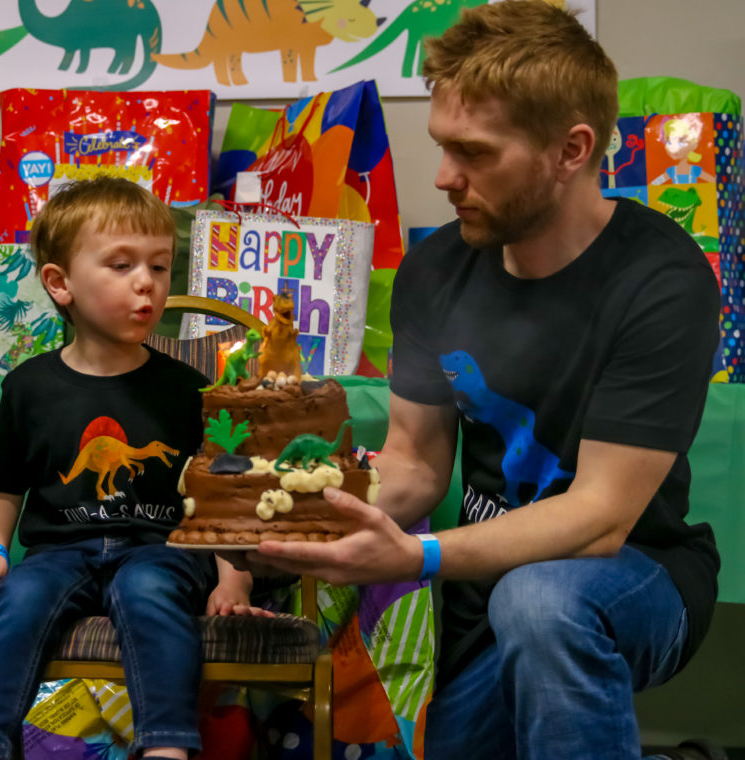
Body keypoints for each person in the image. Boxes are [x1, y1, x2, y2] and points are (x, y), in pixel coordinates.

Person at [250, 2, 721, 758]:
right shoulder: (437, 269)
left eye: (473, 152)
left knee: (543, 602)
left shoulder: (662, 282)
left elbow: (601, 518)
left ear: (571, 149)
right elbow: (414, 463)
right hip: (486, 593)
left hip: (639, 573)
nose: (443, 177)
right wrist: (308, 518)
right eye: (442, 147)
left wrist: (417, 556)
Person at [0, 177, 264, 760]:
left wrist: (234, 576)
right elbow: (3, 483)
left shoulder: (185, 388)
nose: (146, 284)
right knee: (18, 598)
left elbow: (219, 491)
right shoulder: (29, 386)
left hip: (161, 549)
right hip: (56, 553)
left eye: (159, 266)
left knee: (146, 586)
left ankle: (167, 746)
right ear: (60, 283)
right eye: (121, 266)